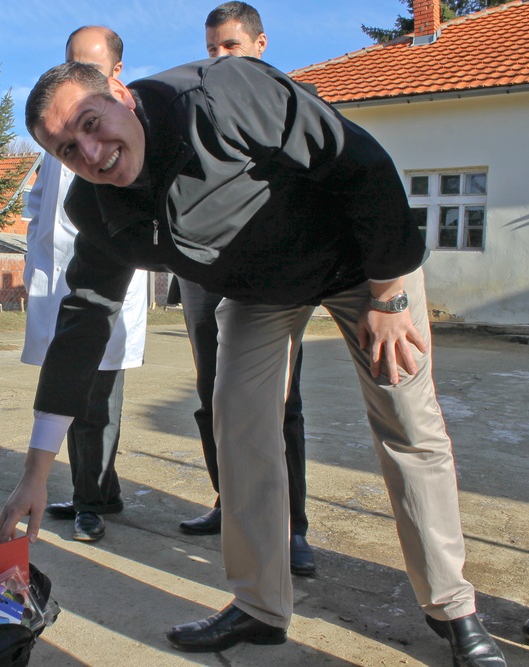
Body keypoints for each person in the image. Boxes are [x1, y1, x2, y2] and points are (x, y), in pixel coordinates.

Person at [0, 54, 506, 666]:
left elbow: (357, 160)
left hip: (363, 263)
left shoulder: (224, 95)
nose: (92, 153)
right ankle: (260, 606)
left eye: (91, 123)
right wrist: (36, 471)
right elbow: (82, 322)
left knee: (406, 421)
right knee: (236, 424)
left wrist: (388, 293)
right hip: (263, 290)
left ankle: (453, 609)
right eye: (68, 149)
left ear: (122, 95)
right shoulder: (97, 208)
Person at [176, 1, 313, 581]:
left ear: (260, 45)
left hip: (269, 278)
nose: (220, 59)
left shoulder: (287, 105)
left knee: (280, 404)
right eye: (211, 49)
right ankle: (229, 503)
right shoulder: (193, 107)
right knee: (213, 396)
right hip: (204, 275)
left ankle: (293, 527)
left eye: (230, 46)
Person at [23, 25, 148, 543]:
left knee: (98, 401)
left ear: (116, 76)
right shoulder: (55, 133)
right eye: (70, 60)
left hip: (106, 280)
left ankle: (92, 500)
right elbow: (40, 207)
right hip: (58, 285)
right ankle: (93, 491)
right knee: (71, 390)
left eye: (91, 66)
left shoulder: (122, 127)